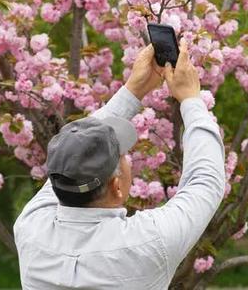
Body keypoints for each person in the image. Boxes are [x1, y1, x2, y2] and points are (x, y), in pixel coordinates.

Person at [14, 40, 225, 289]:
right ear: (116, 186)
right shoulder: (149, 242)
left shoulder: (31, 229)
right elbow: (205, 181)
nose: (127, 157)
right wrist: (191, 99)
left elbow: (71, 154)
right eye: (122, 155)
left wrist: (133, 90)